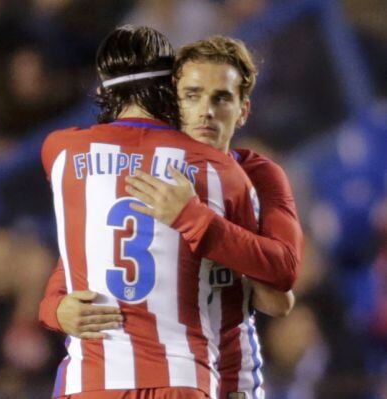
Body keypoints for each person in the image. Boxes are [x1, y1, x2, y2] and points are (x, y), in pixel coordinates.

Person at [40, 36, 304, 399]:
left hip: (231, 372)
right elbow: (82, 260)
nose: (205, 111)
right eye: (192, 95)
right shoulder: (135, 165)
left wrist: (195, 220)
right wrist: (55, 309)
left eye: (221, 98)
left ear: (243, 109)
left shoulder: (257, 174)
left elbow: (280, 295)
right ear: (170, 99)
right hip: (177, 374)